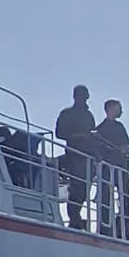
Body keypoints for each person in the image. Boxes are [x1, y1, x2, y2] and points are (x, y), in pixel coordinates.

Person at [88, 99, 129, 222]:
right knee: (106, 200)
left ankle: (123, 227)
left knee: (124, 201)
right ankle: (106, 226)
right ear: (110, 109)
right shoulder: (100, 130)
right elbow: (98, 149)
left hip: (122, 170)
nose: (121, 111)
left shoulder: (119, 126)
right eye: (119, 108)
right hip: (108, 170)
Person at [53, 84, 96, 226]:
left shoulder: (89, 115)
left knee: (84, 190)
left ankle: (76, 217)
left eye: (85, 95)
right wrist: (79, 136)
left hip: (88, 156)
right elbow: (59, 133)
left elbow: (93, 135)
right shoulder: (67, 113)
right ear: (75, 96)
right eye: (80, 95)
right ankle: (74, 218)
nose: (83, 98)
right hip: (74, 154)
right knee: (76, 188)